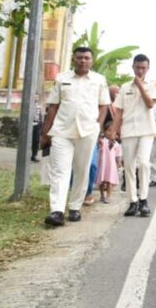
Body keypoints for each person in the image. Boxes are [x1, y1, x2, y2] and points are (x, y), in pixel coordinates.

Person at [40, 46, 111, 226]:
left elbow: (104, 105)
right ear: (74, 59)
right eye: (79, 58)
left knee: (82, 170)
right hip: (62, 131)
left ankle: (75, 207)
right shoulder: (61, 78)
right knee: (60, 171)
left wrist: (98, 126)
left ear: (91, 60)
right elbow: (53, 106)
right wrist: (45, 133)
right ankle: (56, 210)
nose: (83, 61)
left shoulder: (99, 80)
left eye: (87, 58)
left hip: (87, 131)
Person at [107, 54, 156, 218]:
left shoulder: (153, 85)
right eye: (137, 67)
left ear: (148, 68)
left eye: (143, 67)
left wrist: (141, 86)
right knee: (129, 166)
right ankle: (133, 201)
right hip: (128, 130)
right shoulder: (124, 88)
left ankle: (143, 200)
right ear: (133, 67)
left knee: (143, 163)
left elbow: (150, 104)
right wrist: (113, 131)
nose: (140, 70)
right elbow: (119, 112)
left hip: (146, 130)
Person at [97, 123, 122, 204]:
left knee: (109, 181)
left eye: (112, 131)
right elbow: (98, 149)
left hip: (111, 166)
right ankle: (101, 195)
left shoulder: (116, 144)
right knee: (101, 180)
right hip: (102, 164)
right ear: (104, 131)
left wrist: (118, 163)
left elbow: (118, 155)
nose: (110, 133)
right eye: (108, 131)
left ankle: (108, 196)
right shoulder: (102, 142)